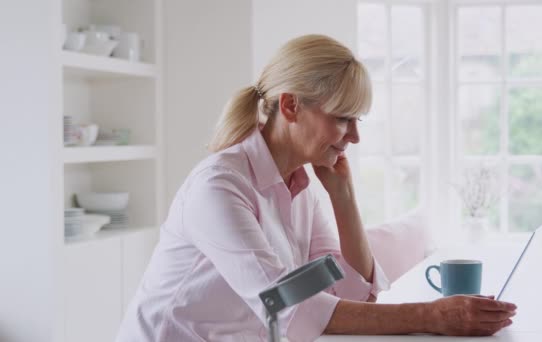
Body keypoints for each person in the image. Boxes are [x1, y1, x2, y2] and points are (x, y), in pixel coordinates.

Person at [115, 34, 516, 342]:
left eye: (358, 120)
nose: (355, 137)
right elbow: (284, 306)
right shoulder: (220, 187)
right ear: (290, 106)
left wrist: (343, 199)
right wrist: (434, 316)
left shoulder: (301, 187)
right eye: (344, 118)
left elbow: (353, 295)